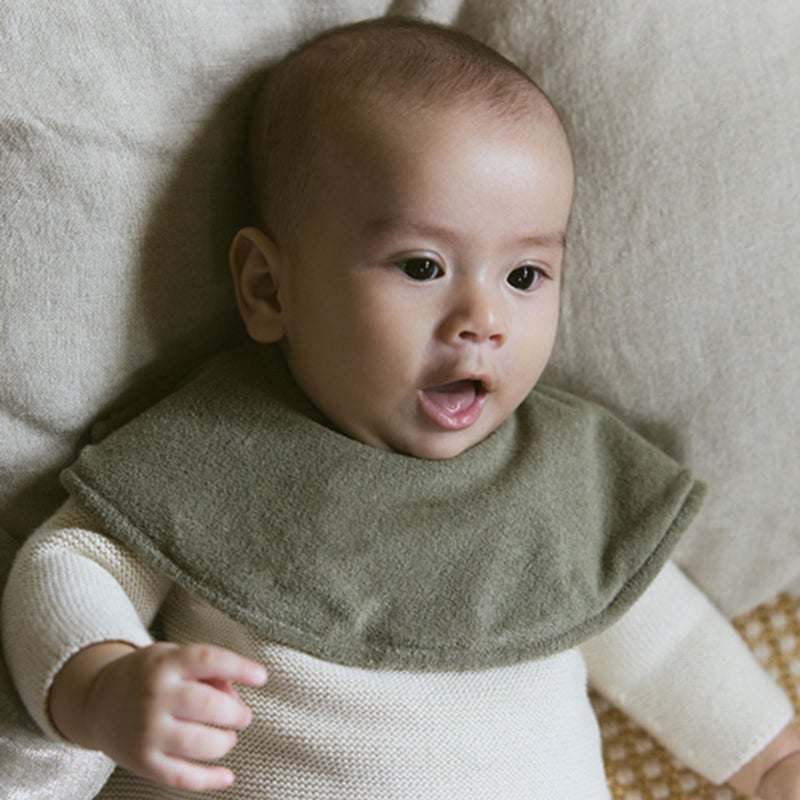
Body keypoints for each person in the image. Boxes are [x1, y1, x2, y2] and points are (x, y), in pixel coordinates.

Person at [2, 16, 800, 799]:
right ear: (268, 287)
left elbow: (664, 644)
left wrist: (769, 758)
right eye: (422, 266)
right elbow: (68, 566)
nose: (483, 318)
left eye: (524, 276)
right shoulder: (212, 448)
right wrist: (101, 685)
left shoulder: (561, 475)